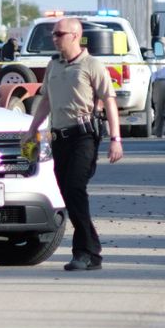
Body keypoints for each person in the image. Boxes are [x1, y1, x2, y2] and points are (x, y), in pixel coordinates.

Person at [23, 18, 123, 272]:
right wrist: (32, 130)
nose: (54, 38)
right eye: (53, 34)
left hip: (84, 136)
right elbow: (46, 100)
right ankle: (93, 251)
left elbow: (109, 101)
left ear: (75, 35)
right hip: (59, 138)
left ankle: (83, 252)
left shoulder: (92, 65)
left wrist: (116, 139)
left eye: (59, 34)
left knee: (74, 187)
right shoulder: (53, 65)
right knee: (68, 194)